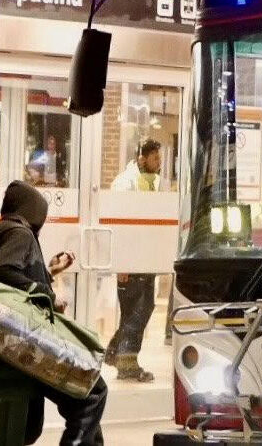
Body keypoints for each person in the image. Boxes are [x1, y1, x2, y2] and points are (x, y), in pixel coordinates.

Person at [0, 180, 107, 445]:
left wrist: (50, 271)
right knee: (92, 391)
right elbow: (1, 271)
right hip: (27, 345)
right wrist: (46, 293)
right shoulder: (20, 233)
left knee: (85, 393)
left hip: (12, 346)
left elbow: (13, 279)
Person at [106, 139, 163, 382]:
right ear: (142, 159)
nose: (159, 163)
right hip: (131, 261)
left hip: (145, 258)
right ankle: (126, 363)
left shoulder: (152, 183)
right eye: (156, 159)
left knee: (140, 308)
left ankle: (114, 353)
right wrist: (121, 263)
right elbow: (119, 225)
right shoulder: (125, 183)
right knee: (137, 310)